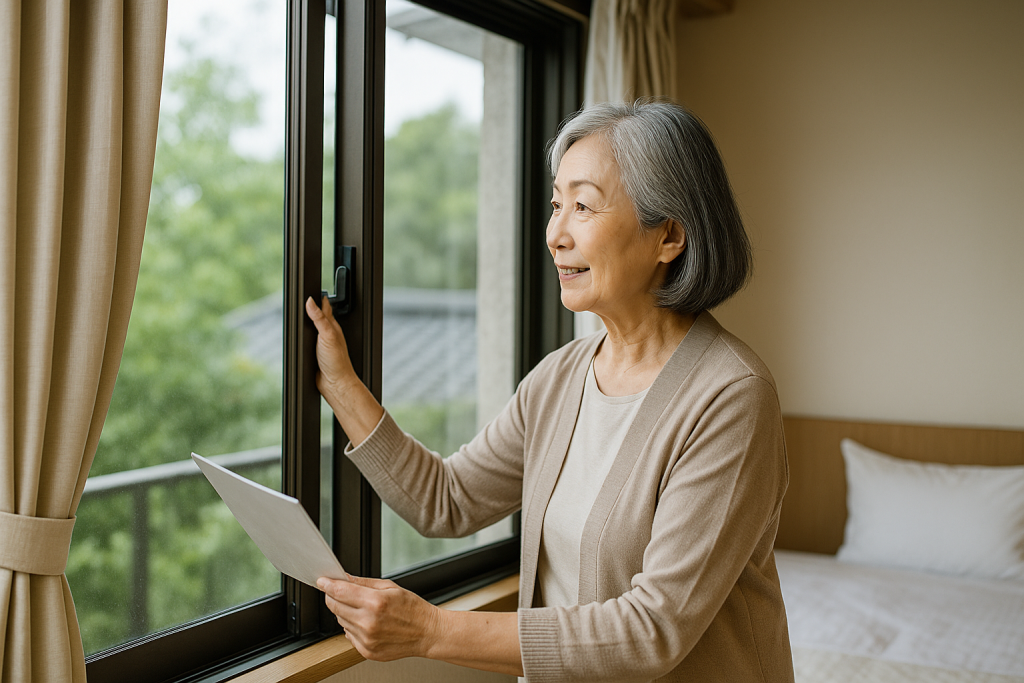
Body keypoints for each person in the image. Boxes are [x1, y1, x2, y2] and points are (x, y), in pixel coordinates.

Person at [304, 100, 794, 682]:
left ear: (669, 236)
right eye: (557, 203)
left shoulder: (731, 397)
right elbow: (448, 499)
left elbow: (651, 632)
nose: (555, 234)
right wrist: (340, 385)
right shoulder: (560, 378)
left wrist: (430, 630)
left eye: (583, 206)